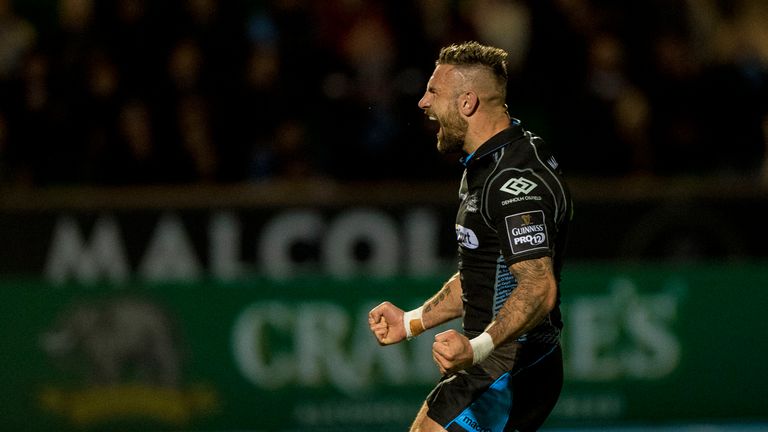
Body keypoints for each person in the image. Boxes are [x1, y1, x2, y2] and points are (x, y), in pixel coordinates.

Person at [368, 41, 572, 432]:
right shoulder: (489, 162)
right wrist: (410, 322)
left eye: (433, 92)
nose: (423, 103)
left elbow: (537, 288)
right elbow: (485, 277)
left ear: (467, 103)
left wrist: (476, 348)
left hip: (511, 367)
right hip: (496, 364)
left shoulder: (515, 181)